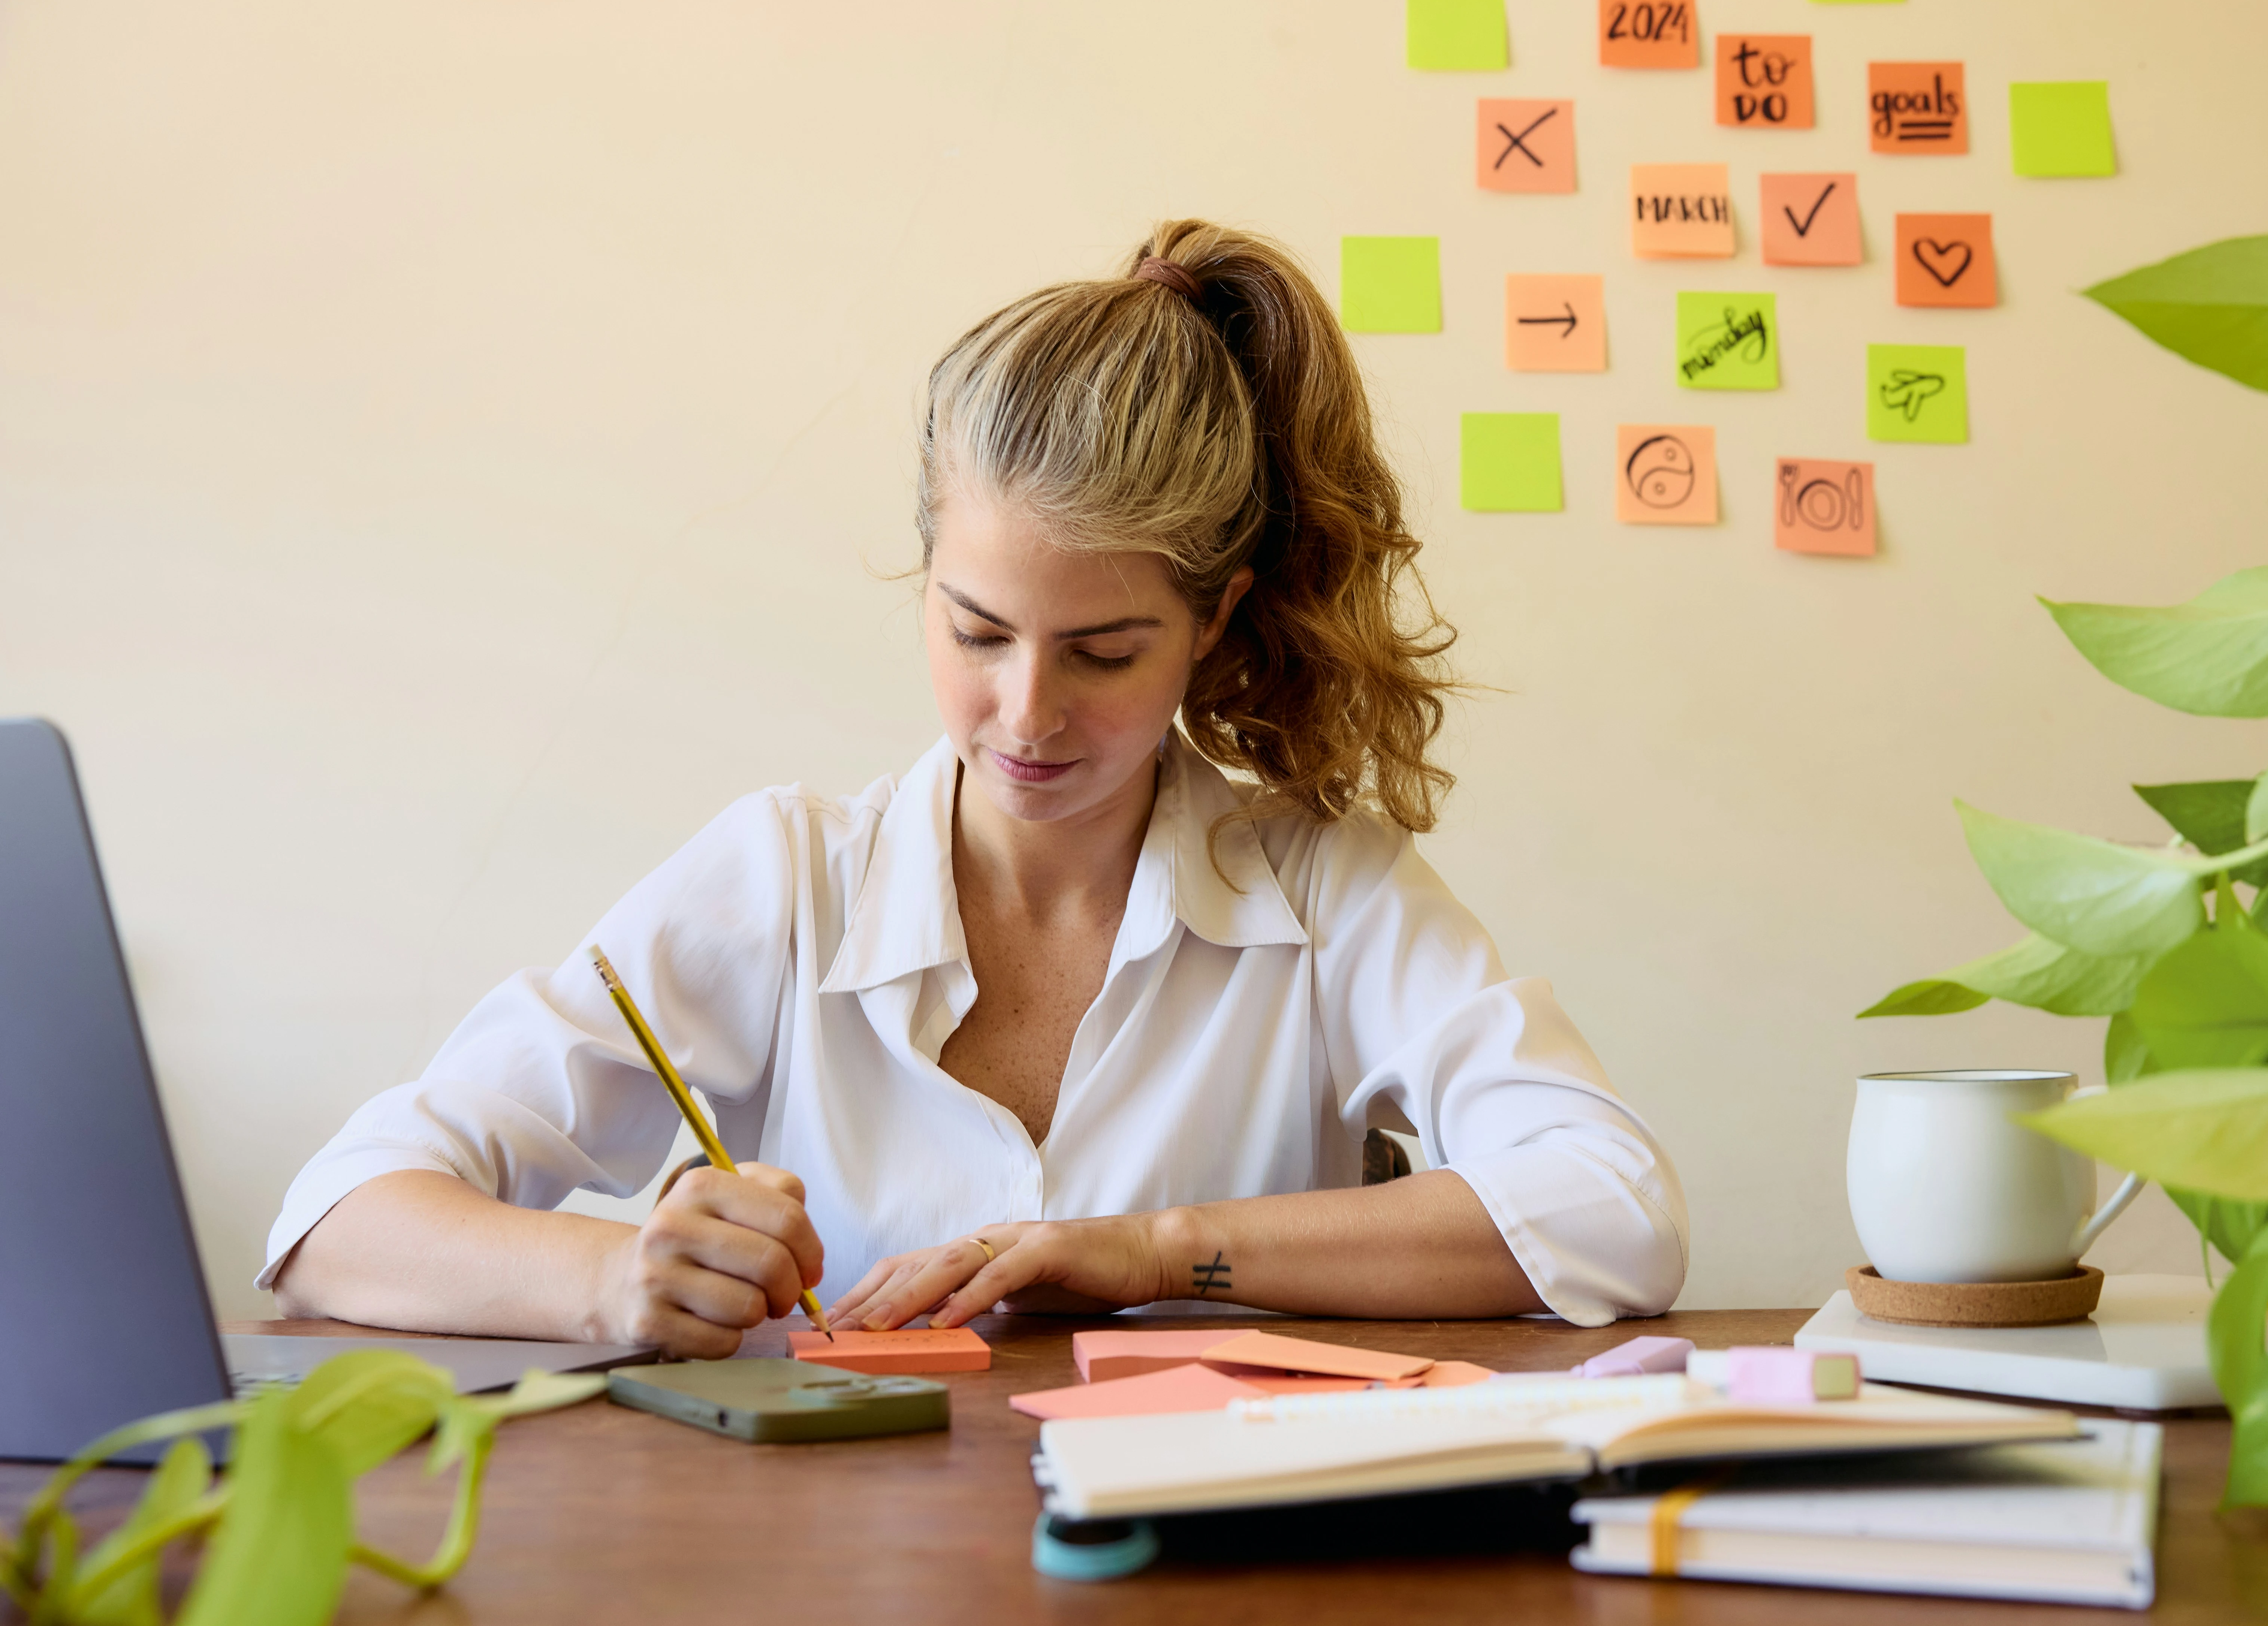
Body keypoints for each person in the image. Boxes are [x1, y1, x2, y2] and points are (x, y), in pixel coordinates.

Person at [266, 221, 1688, 1357]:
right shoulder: (786, 878)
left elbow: (1614, 1210)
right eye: (977, 631)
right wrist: (616, 1277)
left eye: (1104, 650)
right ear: (926, 574)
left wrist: (1158, 1250)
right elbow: (337, 1216)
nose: (1025, 714)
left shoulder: (1322, 886)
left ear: (1215, 618)